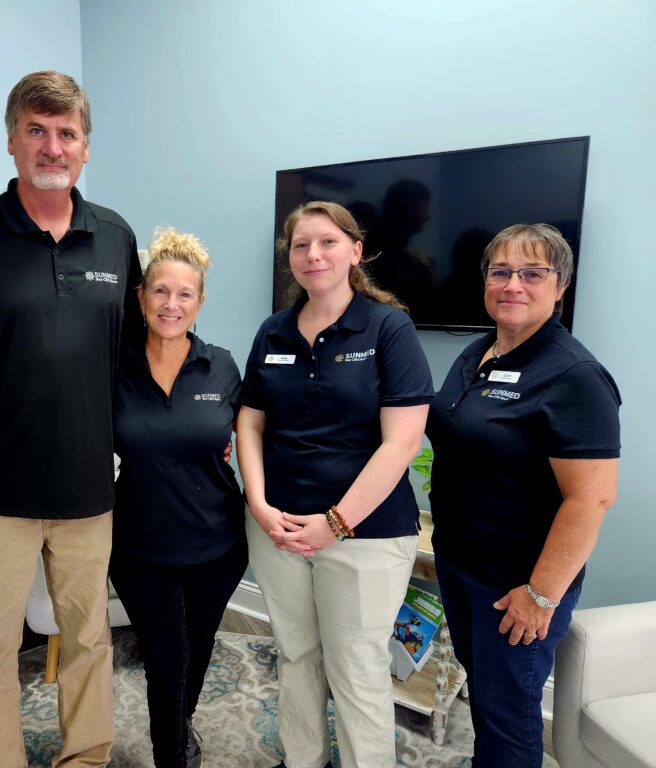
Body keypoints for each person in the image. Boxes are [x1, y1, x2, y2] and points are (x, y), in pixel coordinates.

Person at [0, 70, 142, 768]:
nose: (53, 147)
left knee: (88, 640)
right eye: (38, 131)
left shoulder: (115, 237)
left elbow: (133, 365)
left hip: (88, 491)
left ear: (86, 149)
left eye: (67, 134)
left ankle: (86, 757)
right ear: (13, 141)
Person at [237, 201, 434, 768]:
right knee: (296, 655)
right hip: (278, 527)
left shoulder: (387, 327)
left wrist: (336, 523)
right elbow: (250, 419)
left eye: (327, 242)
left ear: (356, 250)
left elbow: (402, 441)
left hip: (364, 535)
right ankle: (301, 759)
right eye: (300, 245)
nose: (313, 255)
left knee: (356, 665)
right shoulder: (273, 330)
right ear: (289, 258)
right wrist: (257, 501)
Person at [426, 223, 620, 767]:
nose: (514, 284)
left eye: (533, 273)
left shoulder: (575, 375)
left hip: (518, 586)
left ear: (560, 288)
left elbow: (593, 499)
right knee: (486, 697)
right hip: (462, 564)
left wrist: (539, 595)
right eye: (501, 272)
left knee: (508, 712)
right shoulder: (478, 352)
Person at [108, 228, 247, 768]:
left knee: (199, 647)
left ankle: (179, 725)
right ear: (141, 297)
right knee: (166, 658)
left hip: (218, 543)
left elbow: (254, 441)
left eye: (184, 294)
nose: (171, 304)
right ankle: (171, 754)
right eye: (160, 291)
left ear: (200, 302)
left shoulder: (224, 366)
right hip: (141, 544)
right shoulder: (113, 367)